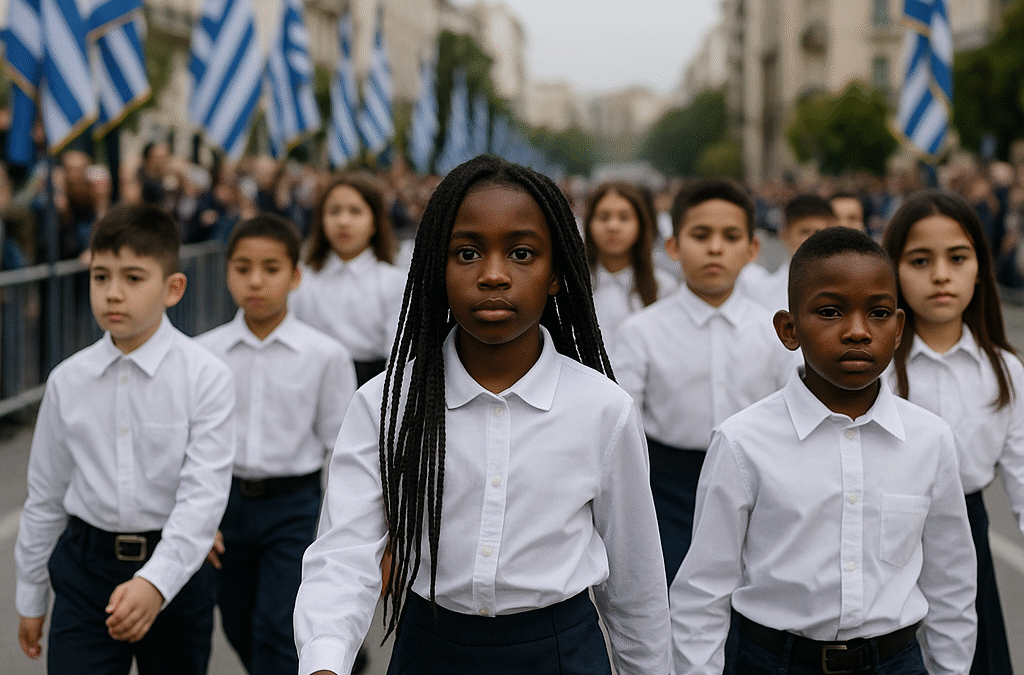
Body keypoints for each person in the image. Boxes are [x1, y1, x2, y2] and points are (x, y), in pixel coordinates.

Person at [293, 155, 671, 675]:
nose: (493, 275)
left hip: (560, 653)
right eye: (466, 253)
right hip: (431, 648)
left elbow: (636, 585)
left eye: (521, 253)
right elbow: (344, 554)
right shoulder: (386, 401)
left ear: (557, 272)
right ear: (435, 269)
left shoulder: (603, 409)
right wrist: (325, 662)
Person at [670, 226, 977, 675]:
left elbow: (950, 583)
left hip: (895, 662)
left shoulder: (929, 440)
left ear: (898, 329)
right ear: (789, 329)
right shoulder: (743, 441)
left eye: (878, 313)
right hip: (772, 662)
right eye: (831, 312)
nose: (858, 332)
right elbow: (703, 592)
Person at [15, 204, 236, 674]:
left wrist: (155, 583)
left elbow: (203, 496)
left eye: (134, 278)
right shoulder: (66, 381)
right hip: (84, 569)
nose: (113, 294)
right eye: (100, 277)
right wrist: (31, 594)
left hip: (176, 570)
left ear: (173, 288)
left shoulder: (206, 377)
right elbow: (45, 497)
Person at [612, 177, 795, 584]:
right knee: (671, 597)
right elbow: (623, 427)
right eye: (700, 235)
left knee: (747, 599)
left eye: (730, 236)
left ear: (752, 250)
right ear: (673, 247)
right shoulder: (641, 331)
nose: (715, 248)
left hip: (757, 488)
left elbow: (791, 414)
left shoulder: (775, 333)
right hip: (668, 491)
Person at [196, 214, 357, 675]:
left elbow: (339, 448)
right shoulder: (204, 354)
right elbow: (188, 447)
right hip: (224, 504)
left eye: (271, 268)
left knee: (278, 626)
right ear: (226, 272)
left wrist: (337, 526)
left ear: (295, 276)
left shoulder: (325, 355)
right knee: (237, 619)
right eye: (242, 268)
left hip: (293, 506)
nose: (256, 281)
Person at [883, 190, 1023, 675]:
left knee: (968, 655)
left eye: (957, 258)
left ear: (980, 267)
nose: (941, 274)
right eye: (920, 260)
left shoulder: (1004, 370)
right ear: (894, 270)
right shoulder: (873, 369)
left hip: (968, 531)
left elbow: (1022, 478)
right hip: (882, 537)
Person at [291, 173, 406, 387]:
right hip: (310, 381)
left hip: (371, 385)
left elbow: (398, 352)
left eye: (355, 211)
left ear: (374, 222)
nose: (343, 221)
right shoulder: (304, 279)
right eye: (334, 211)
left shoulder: (393, 282)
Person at [583, 181, 677, 345]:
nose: (613, 226)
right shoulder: (570, 285)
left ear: (640, 224)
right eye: (603, 217)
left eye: (624, 217)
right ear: (589, 223)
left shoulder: (663, 287)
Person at [736, 193, 835, 311]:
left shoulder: (847, 288)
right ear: (784, 235)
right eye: (804, 232)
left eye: (820, 232)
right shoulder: (760, 290)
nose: (812, 240)